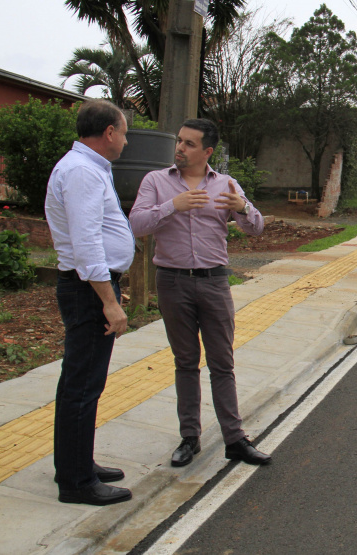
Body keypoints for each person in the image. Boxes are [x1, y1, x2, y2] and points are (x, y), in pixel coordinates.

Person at [129, 118, 271, 467]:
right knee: (186, 362)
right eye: (179, 141)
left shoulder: (226, 184)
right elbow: (136, 224)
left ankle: (234, 439)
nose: (180, 148)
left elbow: (256, 228)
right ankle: (189, 438)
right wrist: (172, 206)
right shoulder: (156, 181)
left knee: (222, 363)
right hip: (172, 282)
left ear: (207, 151)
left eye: (189, 144)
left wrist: (243, 208)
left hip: (214, 283)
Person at [45, 99, 135, 506]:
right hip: (87, 290)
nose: (126, 141)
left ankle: (76, 462)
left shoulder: (87, 167)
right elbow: (86, 244)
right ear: (109, 132)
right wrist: (109, 302)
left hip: (87, 287)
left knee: (80, 382)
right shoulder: (82, 171)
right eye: (124, 132)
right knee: (82, 385)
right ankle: (76, 482)